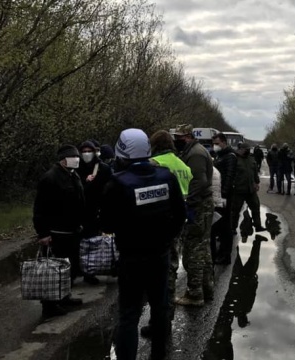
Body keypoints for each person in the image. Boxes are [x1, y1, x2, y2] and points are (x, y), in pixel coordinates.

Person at [101, 128, 186, 360]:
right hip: (160, 256)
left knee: (129, 315)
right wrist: (167, 240)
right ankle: (159, 355)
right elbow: (180, 215)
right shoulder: (166, 177)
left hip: (131, 258)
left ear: (122, 153)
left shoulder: (117, 183)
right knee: (160, 309)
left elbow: (106, 224)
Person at [144, 129, 193, 334]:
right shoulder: (183, 165)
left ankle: (160, 320)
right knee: (172, 266)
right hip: (178, 220)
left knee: (160, 273)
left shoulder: (156, 164)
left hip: (159, 221)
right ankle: (166, 316)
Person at [33, 145, 86, 318]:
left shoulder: (73, 175)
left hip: (72, 231)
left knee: (69, 268)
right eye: (73, 156)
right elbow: (40, 208)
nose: (77, 159)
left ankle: (64, 296)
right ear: (63, 159)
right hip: (57, 232)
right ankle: (49, 305)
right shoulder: (50, 178)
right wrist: (43, 233)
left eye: (77, 156)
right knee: (54, 269)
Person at [173, 124, 216, 307]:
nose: (177, 141)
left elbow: (199, 182)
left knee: (194, 251)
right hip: (201, 205)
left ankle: (195, 293)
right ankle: (207, 289)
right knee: (203, 250)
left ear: (188, 136)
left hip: (198, 206)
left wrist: (188, 204)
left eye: (179, 138)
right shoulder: (194, 150)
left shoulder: (196, 153)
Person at [77, 140, 112, 285]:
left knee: (94, 242)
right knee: (81, 243)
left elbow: (110, 189)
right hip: (81, 211)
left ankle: (90, 271)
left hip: (98, 210)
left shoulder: (103, 169)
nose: (86, 154)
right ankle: (79, 270)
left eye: (89, 151)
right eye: (83, 151)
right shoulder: (77, 169)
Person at [211, 133, 238, 265]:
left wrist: (223, 197)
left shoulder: (230, 157)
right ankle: (220, 253)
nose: (215, 146)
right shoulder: (220, 155)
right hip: (218, 195)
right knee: (219, 226)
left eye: (217, 143)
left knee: (225, 227)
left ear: (224, 142)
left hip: (224, 197)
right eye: (214, 143)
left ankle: (225, 255)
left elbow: (229, 177)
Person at [231, 142, 266, 233]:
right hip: (239, 189)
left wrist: (257, 182)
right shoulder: (234, 159)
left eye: (248, 149)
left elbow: (254, 172)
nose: (248, 151)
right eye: (246, 149)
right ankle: (232, 228)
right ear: (241, 149)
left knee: (255, 207)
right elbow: (231, 174)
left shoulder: (251, 159)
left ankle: (258, 226)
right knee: (235, 210)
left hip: (251, 189)